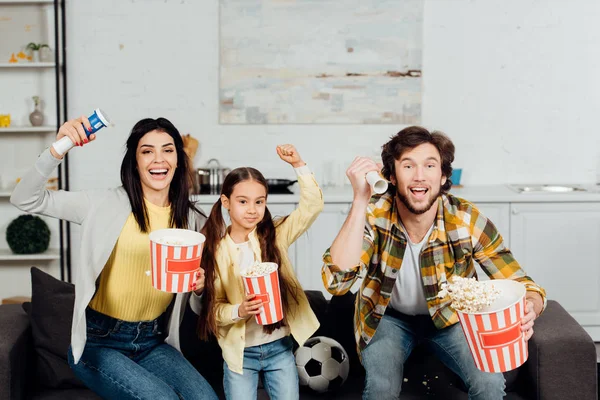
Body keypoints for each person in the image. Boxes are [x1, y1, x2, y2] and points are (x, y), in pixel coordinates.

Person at [321, 126, 547, 400]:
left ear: (443, 176)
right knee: (381, 389)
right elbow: (337, 282)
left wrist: (530, 308)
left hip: (452, 319)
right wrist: (360, 200)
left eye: (430, 165)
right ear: (391, 176)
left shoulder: (465, 220)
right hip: (387, 318)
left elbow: (524, 284)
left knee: (488, 384)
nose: (419, 176)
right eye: (408, 165)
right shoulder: (374, 215)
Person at [11, 116, 218, 400]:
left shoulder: (192, 220)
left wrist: (200, 287)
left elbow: (195, 303)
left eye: (168, 150)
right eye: (147, 151)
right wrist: (59, 147)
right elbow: (25, 199)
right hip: (98, 342)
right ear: (134, 161)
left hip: (152, 341)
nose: (159, 159)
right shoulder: (101, 204)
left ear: (179, 159)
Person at [193, 144, 323, 400]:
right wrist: (238, 311)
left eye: (259, 202)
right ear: (226, 202)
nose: (252, 209)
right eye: (243, 202)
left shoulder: (275, 235)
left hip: (279, 348)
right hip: (240, 354)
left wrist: (299, 165)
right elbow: (214, 308)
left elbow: (312, 207)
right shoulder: (216, 251)